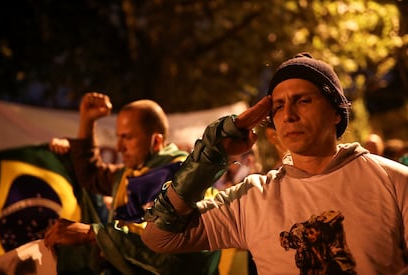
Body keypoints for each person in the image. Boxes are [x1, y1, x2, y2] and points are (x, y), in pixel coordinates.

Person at [142, 53, 408, 274]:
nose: (288, 115)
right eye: (278, 106)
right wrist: (209, 157)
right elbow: (158, 237)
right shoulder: (252, 198)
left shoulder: (395, 181)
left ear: (336, 112)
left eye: (303, 100)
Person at [0, 93, 221, 275]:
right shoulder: (130, 174)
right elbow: (91, 176)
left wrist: (92, 233)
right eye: (118, 137)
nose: (120, 147)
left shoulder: (183, 176)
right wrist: (87, 121)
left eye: (128, 138)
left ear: (156, 140)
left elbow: (167, 238)